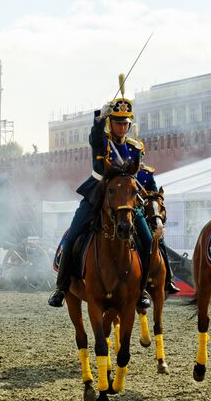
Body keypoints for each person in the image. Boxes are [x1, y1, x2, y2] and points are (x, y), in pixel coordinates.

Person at [48, 90, 153, 309]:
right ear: (111, 123)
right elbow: (94, 136)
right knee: (74, 234)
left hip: (125, 198)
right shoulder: (101, 140)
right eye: (117, 123)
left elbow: (133, 174)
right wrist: (99, 117)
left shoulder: (135, 147)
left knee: (148, 239)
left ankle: (142, 289)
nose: (121, 127)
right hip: (98, 192)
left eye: (125, 124)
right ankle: (62, 286)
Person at [136, 163, 179, 294]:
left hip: (147, 211)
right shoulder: (126, 172)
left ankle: (168, 279)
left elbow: (154, 191)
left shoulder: (146, 174)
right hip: (132, 212)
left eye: (140, 155)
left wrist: (151, 197)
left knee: (161, 244)